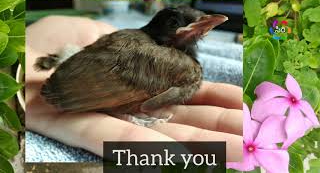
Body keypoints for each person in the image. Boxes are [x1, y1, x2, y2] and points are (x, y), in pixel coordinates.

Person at [26, 16, 243, 162]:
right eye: (175, 23)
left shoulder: (138, 41)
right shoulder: (175, 64)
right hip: (72, 83)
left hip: (70, 71)